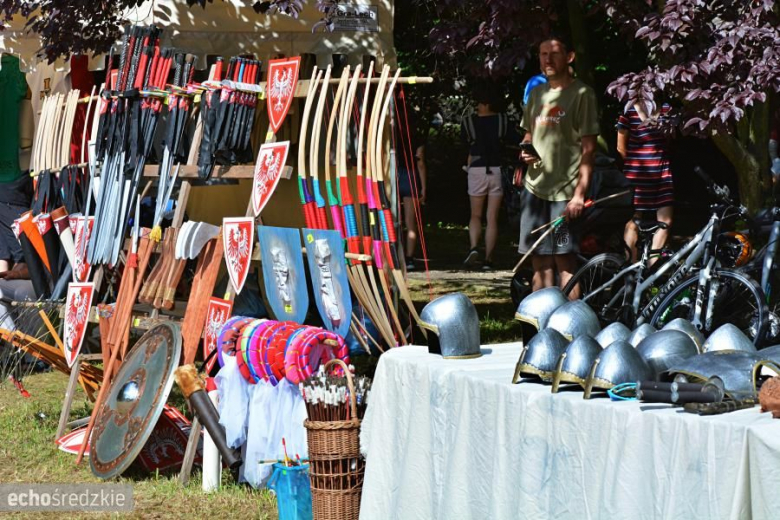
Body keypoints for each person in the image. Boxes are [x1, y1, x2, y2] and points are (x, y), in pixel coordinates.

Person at [519, 34, 599, 297]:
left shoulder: (582, 94)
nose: (547, 59)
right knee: (539, 263)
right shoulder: (537, 94)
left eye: (554, 53)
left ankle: (570, 329)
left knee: (564, 263)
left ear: (570, 57)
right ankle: (541, 327)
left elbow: (589, 149)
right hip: (533, 190)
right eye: (542, 54)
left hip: (565, 194)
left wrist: (579, 195)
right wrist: (526, 151)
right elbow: (529, 134)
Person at [461, 84, 520, 270]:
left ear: (484, 103)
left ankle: (473, 247)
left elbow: (465, 144)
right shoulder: (503, 121)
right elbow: (515, 141)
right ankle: (488, 259)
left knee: (475, 215)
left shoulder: (469, 122)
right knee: (492, 217)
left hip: (476, 169)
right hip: (497, 169)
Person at [618, 103, 674, 262]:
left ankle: (649, 271)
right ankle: (631, 269)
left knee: (666, 221)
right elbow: (620, 147)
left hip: (662, 172)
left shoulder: (666, 110)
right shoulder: (628, 110)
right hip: (637, 173)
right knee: (633, 221)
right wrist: (634, 164)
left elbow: (668, 142)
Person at [395, 114, 427, 271]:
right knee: (410, 222)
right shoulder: (417, 138)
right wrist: (424, 187)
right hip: (411, 176)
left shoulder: (392, 134)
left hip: (394, 175)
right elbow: (420, 162)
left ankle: (392, 255)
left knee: (392, 218)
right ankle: (409, 258)